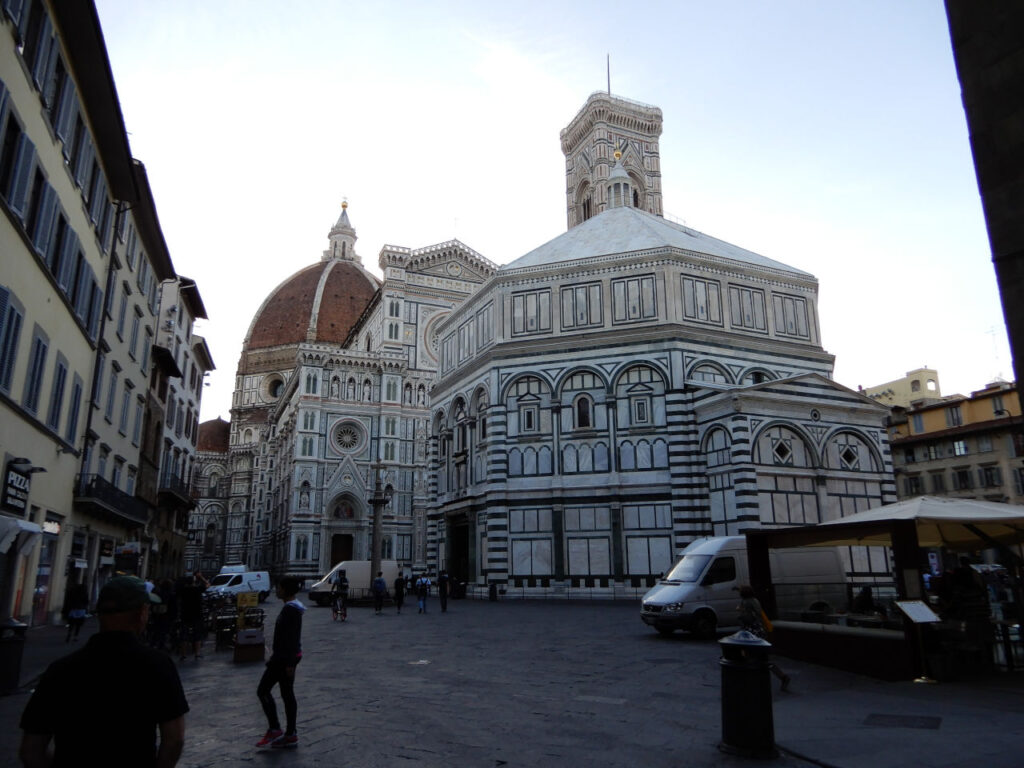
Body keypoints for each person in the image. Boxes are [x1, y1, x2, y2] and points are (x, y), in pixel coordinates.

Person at [20, 575, 189, 767]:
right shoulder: (157, 665)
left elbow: (31, 750)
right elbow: (174, 739)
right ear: (142, 613)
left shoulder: (61, 670)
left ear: (99, 613)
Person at [256, 576, 306, 749]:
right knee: (287, 693)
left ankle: (275, 728)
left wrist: (290, 662)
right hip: (285, 658)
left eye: (278, 587)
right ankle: (290, 733)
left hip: (284, 659)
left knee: (263, 691)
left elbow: (291, 638)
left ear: (285, 590)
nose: (276, 590)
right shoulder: (291, 608)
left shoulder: (291, 610)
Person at [737, 585, 790, 692]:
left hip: (751, 634)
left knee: (749, 658)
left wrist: (740, 613)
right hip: (761, 632)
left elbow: (747, 618)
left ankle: (751, 682)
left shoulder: (746, 603)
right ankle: (782, 676)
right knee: (763, 658)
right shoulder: (755, 601)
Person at [177, 574, 206, 661]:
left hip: (185, 614)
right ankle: (197, 653)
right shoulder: (197, 589)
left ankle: (183, 654)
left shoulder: (183, 590)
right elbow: (207, 585)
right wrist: (201, 577)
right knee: (197, 634)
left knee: (184, 634)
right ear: (194, 582)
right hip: (197, 614)